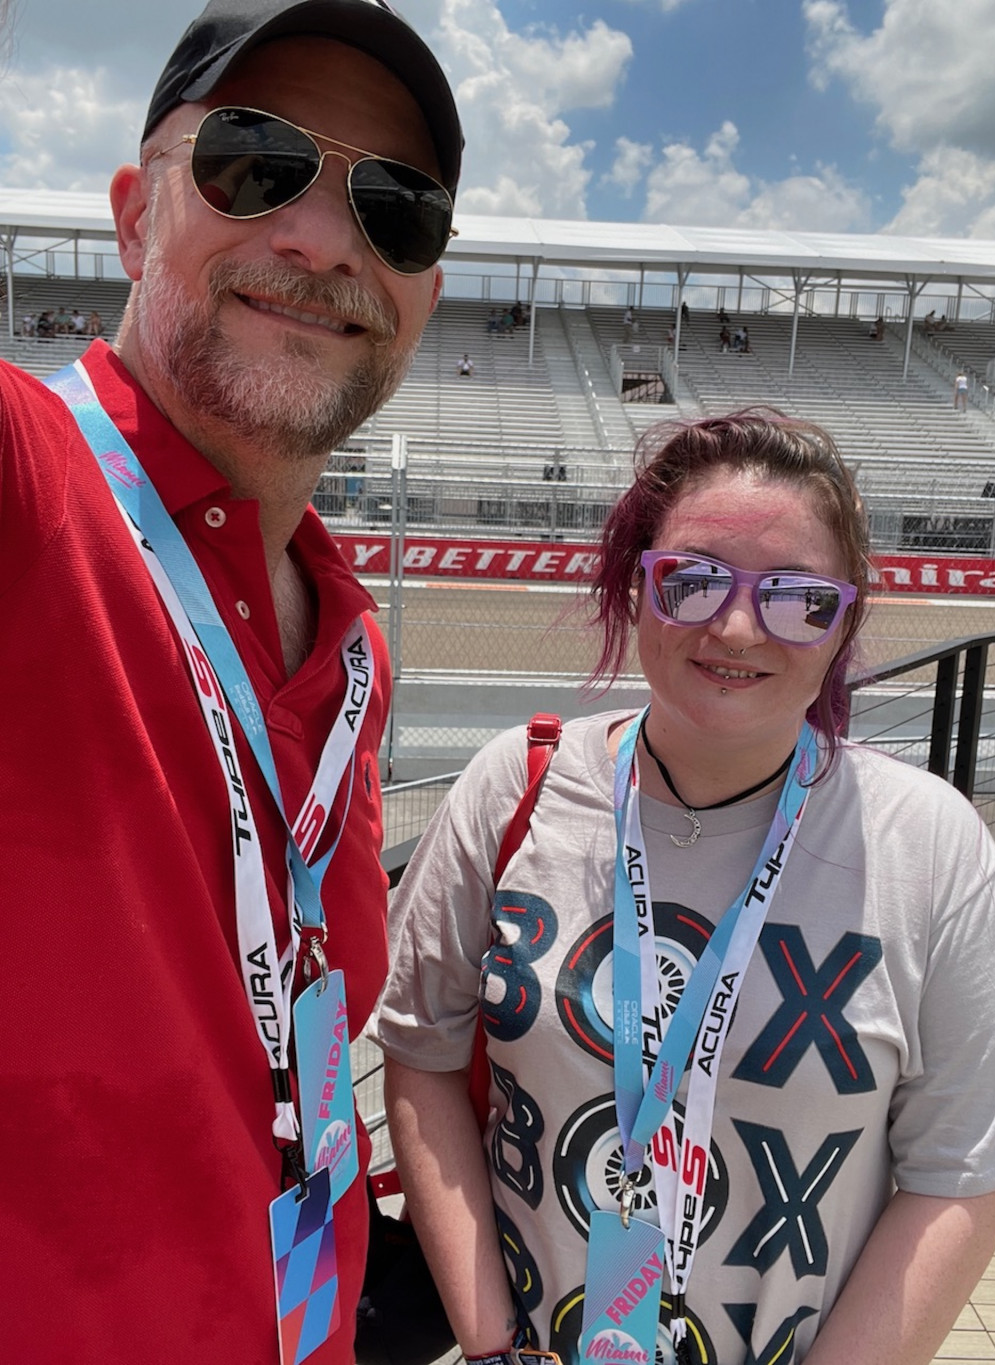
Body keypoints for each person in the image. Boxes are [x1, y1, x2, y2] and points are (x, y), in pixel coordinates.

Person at [0, 2, 461, 1363]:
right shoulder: (34, 479)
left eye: (397, 208)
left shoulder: (353, 647)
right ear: (135, 215)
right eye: (253, 164)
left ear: (428, 288)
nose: (323, 238)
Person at [372, 411, 995, 1365]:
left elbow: (962, 1170)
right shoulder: (516, 786)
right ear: (635, 589)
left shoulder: (931, 849)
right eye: (693, 580)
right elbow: (423, 1056)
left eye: (799, 598)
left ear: (843, 622)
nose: (735, 625)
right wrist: (491, 1344)